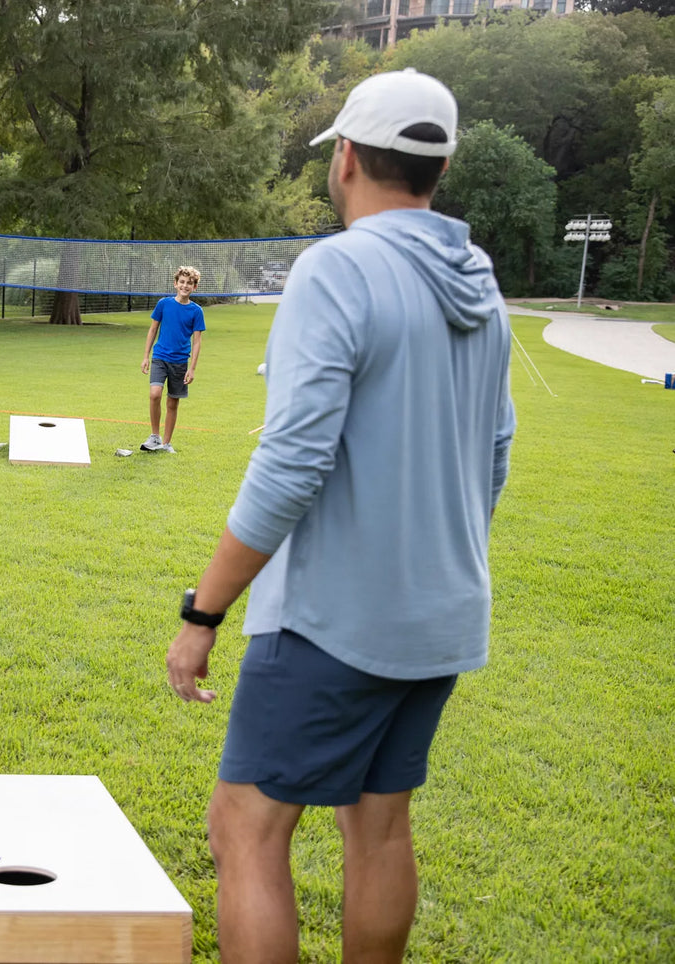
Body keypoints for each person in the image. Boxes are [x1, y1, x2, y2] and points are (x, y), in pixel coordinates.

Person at [164, 69, 516, 963]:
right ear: (436, 169)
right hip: (441, 614)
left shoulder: (336, 267)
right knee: (379, 825)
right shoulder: (480, 281)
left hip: (333, 621)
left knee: (243, 828)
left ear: (348, 157)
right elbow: (494, 457)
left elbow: (289, 466)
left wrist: (201, 613)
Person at [140, 266, 204, 454]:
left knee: (172, 403)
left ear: (194, 287)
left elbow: (197, 342)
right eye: (182, 282)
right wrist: (146, 356)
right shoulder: (163, 304)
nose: (185, 286)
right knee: (155, 394)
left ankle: (166, 443)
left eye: (189, 283)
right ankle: (154, 436)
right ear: (176, 284)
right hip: (160, 357)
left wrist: (192, 368)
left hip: (180, 362)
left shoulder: (196, 311)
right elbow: (152, 330)